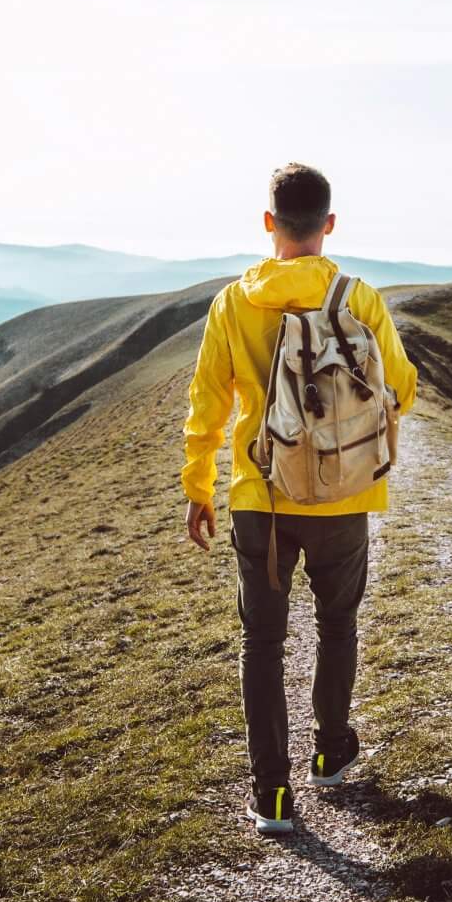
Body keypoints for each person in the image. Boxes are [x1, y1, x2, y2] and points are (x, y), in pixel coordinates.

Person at [181, 162, 419, 834]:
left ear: (269, 223)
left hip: (263, 498)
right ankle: (331, 752)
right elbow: (402, 387)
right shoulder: (359, 297)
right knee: (337, 624)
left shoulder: (234, 302)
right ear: (330, 225)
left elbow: (208, 405)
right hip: (346, 495)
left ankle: (272, 796)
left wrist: (198, 485)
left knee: (263, 641)